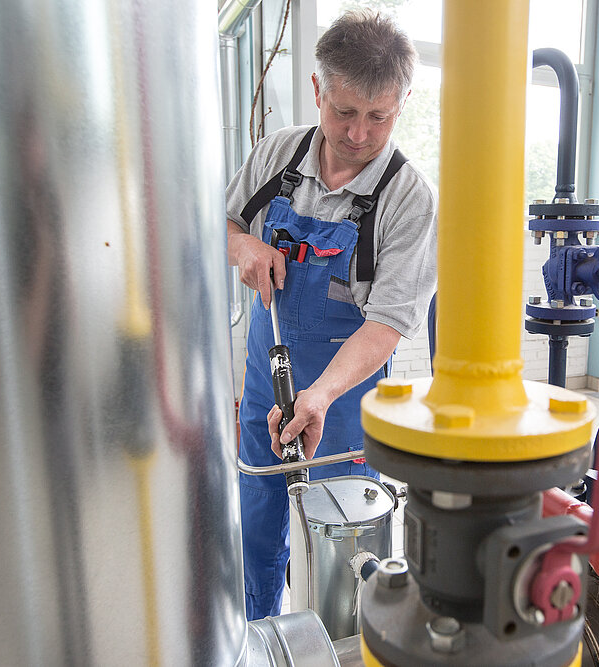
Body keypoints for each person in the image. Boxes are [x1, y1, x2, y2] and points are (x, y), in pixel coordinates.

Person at [225, 9, 438, 620]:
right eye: (344, 112)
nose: (359, 134)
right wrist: (245, 246)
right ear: (318, 89)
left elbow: (388, 322)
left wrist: (318, 397)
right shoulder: (276, 158)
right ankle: (259, 639)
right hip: (266, 382)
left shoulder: (408, 198)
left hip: (344, 404)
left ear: (401, 103)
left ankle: (343, 646)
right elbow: (226, 223)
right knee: (259, 526)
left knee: (345, 546)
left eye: (380, 116)